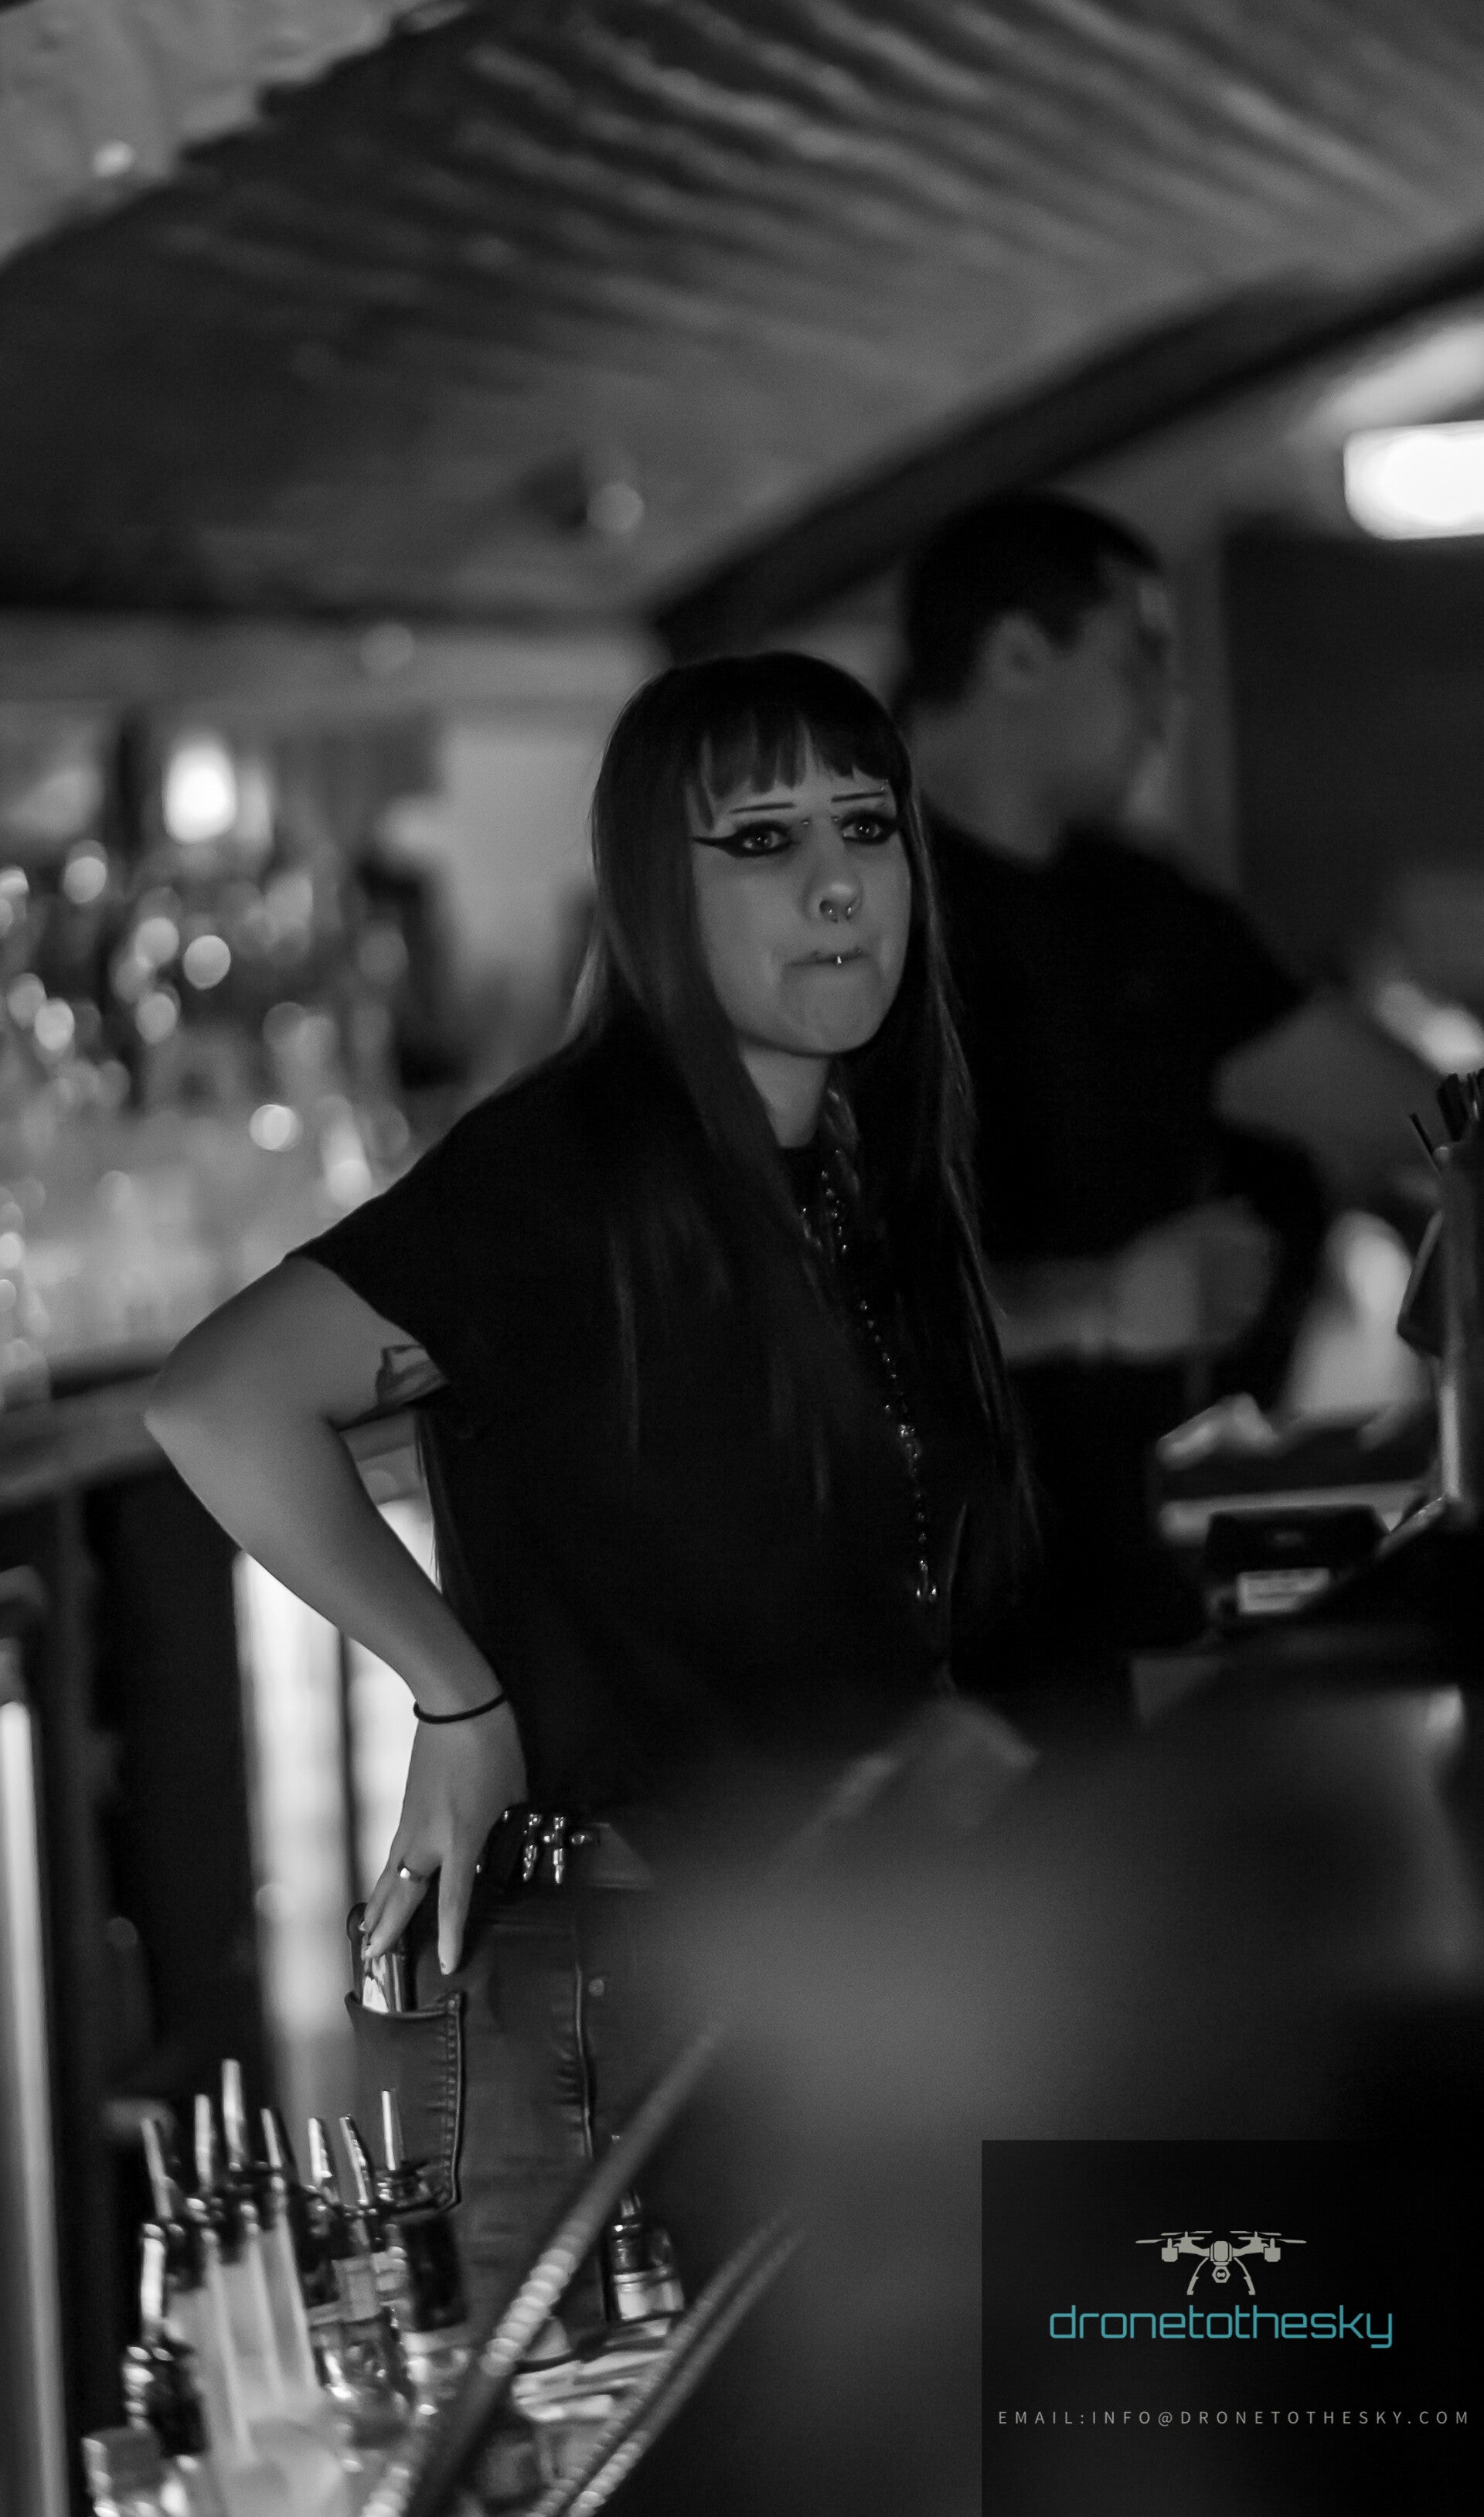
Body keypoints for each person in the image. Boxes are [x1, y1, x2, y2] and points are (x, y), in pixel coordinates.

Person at [145, 650, 1026, 2327]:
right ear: (652, 893)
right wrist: (455, 1693)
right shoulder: (575, 1168)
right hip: (624, 2003)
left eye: (866, 825)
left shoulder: (852, 1172)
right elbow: (221, 1398)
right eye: (760, 840)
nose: (839, 883)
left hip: (822, 1968)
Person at [897, 491, 1437, 1712]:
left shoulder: (1140, 908)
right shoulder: (862, 912)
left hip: (1123, 1578)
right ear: (1016, 654)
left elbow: (1413, 1110)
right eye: (1139, 654)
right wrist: (1095, 1306)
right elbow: (796, 1287)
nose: (1166, 699)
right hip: (921, 1630)